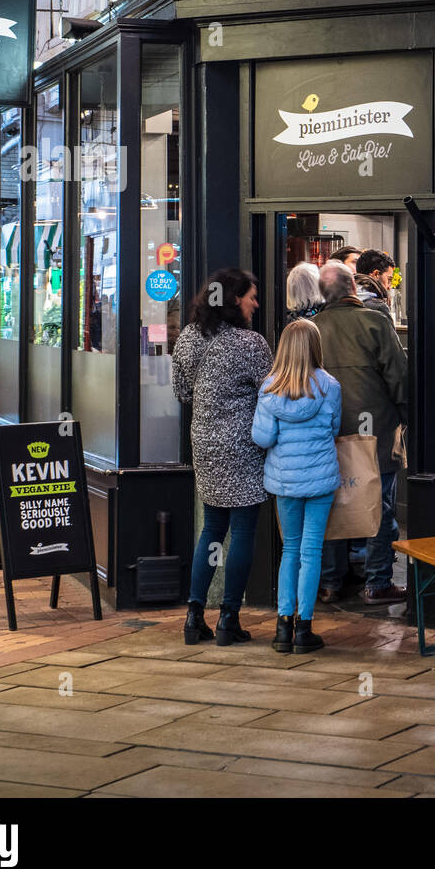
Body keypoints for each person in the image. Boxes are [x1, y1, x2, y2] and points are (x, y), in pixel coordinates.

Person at [172, 267, 272, 646]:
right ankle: (229, 617)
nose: (255, 303)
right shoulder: (250, 344)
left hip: (205, 444)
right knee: (244, 530)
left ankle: (194, 615)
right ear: (234, 299)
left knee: (212, 530)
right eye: (251, 296)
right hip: (242, 447)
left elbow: (182, 393)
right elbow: (272, 391)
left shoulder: (187, 338)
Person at [314, 261, 408, 605]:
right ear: (353, 287)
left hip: (327, 436)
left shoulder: (311, 328)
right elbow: (400, 379)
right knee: (378, 508)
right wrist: (406, 417)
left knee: (331, 506)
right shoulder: (375, 322)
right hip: (376, 435)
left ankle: (330, 584)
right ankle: (378, 582)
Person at [252, 318, 342, 654]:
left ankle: (282, 628)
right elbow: (333, 429)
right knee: (311, 552)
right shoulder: (329, 386)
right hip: (319, 480)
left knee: (289, 550)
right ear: (315, 348)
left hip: (285, 482)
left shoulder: (270, 388)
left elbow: (262, 437)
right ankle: (305, 628)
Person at [354, 249, 395, 323]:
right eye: (389, 279)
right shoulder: (378, 308)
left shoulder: (341, 300)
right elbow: (388, 334)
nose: (389, 286)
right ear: (376, 274)